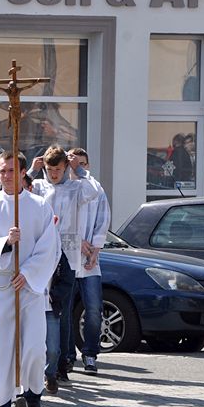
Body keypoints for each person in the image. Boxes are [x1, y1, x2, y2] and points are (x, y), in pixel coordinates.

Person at [0, 151, 60, 407]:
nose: (6, 176)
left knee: (34, 346)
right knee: (1, 350)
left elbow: (50, 247)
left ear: (23, 172)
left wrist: (31, 273)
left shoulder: (39, 206)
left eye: (11, 170)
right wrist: (6, 244)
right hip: (1, 287)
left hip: (30, 288)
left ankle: (33, 397)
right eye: (2, 171)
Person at [31, 145, 97, 392]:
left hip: (67, 254)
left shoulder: (75, 186)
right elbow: (20, 191)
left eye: (58, 169)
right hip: (41, 251)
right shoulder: (38, 186)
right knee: (40, 307)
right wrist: (33, 170)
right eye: (50, 170)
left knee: (62, 309)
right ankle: (43, 362)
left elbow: (93, 193)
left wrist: (78, 170)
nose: (54, 174)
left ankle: (62, 362)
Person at [69, 147, 110, 374]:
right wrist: (77, 241)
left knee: (94, 309)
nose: (79, 168)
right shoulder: (64, 188)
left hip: (89, 260)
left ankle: (90, 354)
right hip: (67, 257)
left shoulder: (95, 188)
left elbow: (103, 219)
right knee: (63, 310)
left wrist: (95, 248)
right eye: (75, 163)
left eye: (83, 164)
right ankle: (67, 356)